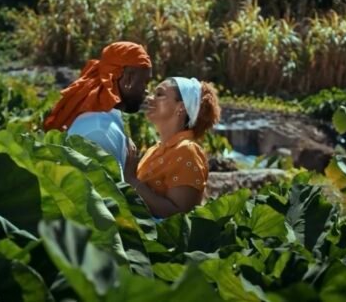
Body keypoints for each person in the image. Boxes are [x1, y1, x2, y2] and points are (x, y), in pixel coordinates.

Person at [43, 42, 152, 171]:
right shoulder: (100, 131)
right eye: (145, 82)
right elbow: (108, 190)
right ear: (128, 79)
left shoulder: (101, 121)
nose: (146, 90)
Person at [124, 77, 221, 218]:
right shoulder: (154, 150)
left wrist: (132, 181)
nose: (150, 98)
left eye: (159, 94)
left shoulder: (187, 151)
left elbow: (178, 215)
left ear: (180, 107)